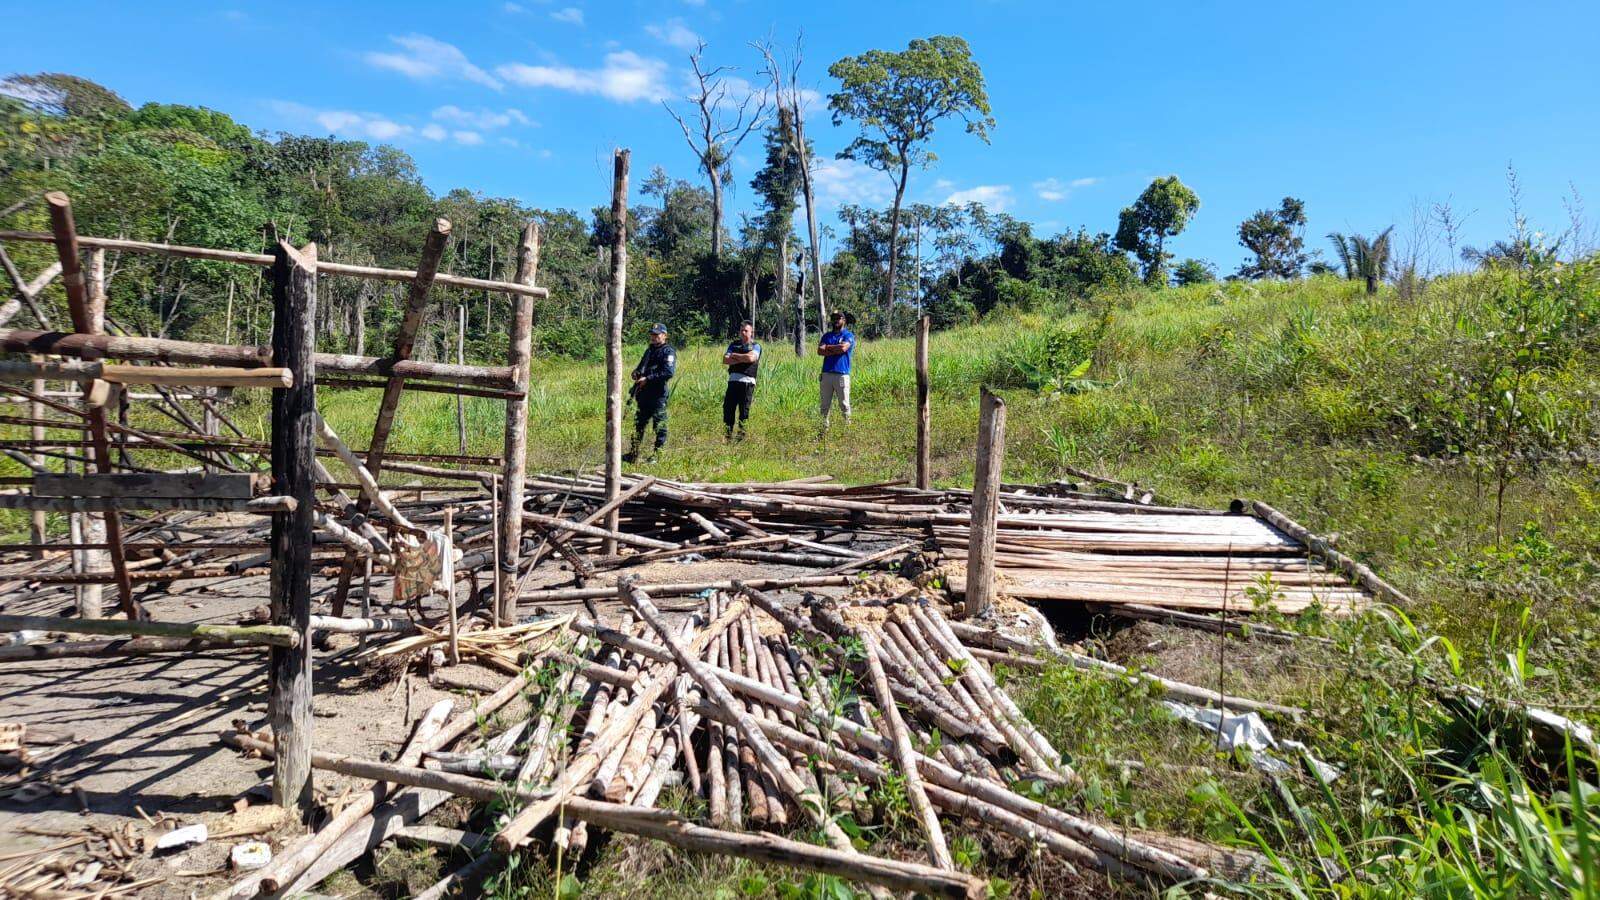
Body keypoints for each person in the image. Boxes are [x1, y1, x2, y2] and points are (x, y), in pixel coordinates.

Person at [624, 323, 675, 462]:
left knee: (660, 426)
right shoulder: (649, 350)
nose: (653, 337)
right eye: (652, 334)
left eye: (657, 335)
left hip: (658, 395)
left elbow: (668, 372)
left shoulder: (668, 351)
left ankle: (657, 455)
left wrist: (648, 378)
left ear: (664, 335)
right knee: (638, 425)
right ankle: (633, 454)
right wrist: (636, 373)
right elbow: (641, 368)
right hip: (643, 394)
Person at [721, 320, 762, 441]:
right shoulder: (733, 345)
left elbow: (751, 358)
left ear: (751, 332)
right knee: (728, 409)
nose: (743, 333)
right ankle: (727, 436)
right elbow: (725, 359)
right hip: (733, 381)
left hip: (748, 382)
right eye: (741, 330)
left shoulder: (756, 346)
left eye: (746, 331)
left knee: (744, 411)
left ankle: (741, 439)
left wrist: (735, 356)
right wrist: (742, 357)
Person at [816, 311, 855, 428]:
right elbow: (820, 351)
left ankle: (847, 430)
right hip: (826, 374)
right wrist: (834, 348)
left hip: (841, 374)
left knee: (844, 404)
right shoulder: (826, 336)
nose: (836, 320)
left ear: (844, 320)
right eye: (834, 318)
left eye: (839, 318)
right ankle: (823, 430)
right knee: (824, 406)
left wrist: (827, 348)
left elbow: (843, 348)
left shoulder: (848, 335)